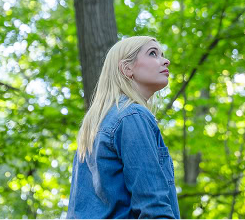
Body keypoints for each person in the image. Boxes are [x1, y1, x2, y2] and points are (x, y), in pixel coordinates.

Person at [66, 36, 180, 219]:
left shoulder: (95, 125)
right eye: (153, 53)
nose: (166, 60)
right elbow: (153, 208)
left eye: (162, 54)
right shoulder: (132, 116)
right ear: (127, 68)